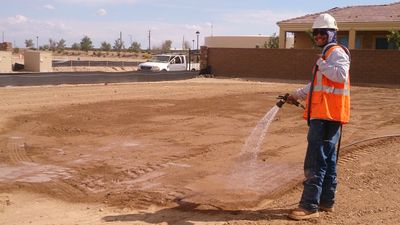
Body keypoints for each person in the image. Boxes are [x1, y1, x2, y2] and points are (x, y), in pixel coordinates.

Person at [286, 13, 351, 220]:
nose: (319, 35)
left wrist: (321, 63)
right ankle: (326, 201)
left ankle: (309, 206)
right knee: (328, 159)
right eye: (316, 32)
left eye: (324, 32)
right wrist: (296, 95)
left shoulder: (335, 52)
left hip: (325, 116)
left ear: (333, 33)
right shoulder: (327, 53)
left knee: (315, 160)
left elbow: (341, 75)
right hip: (328, 115)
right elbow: (317, 86)